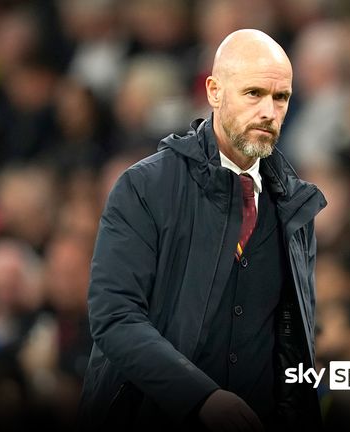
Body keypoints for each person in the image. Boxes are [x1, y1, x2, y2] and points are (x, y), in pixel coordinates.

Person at [78, 29, 326, 431]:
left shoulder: (295, 206)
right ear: (214, 91)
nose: (269, 111)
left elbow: (293, 346)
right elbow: (115, 317)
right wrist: (201, 398)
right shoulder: (146, 186)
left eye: (281, 98)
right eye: (253, 93)